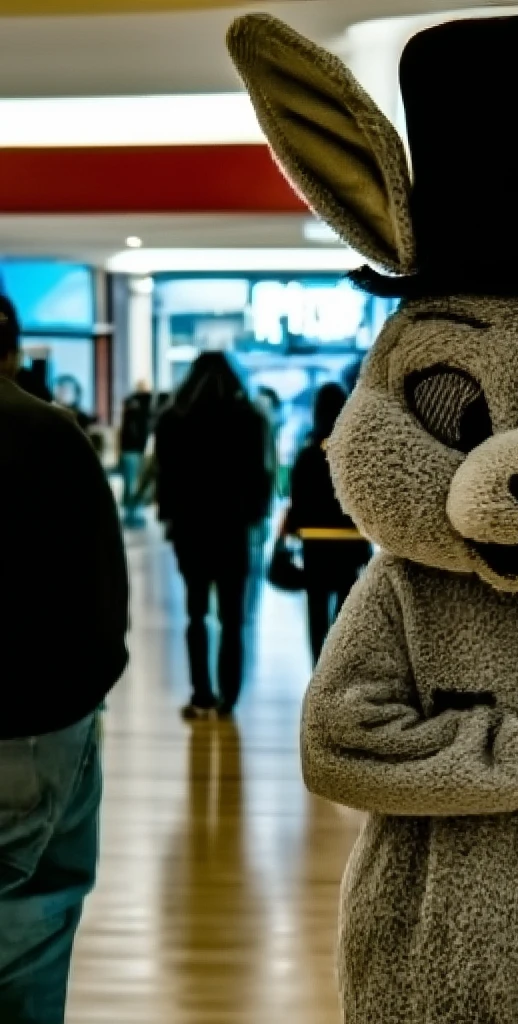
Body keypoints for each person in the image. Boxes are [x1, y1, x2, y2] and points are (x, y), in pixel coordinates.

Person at [0, 296, 130, 1022]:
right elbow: (104, 590)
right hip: (42, 726)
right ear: (13, 352)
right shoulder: (50, 435)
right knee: (35, 935)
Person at [155, 353, 274, 721]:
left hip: (190, 530)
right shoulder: (250, 418)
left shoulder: (173, 419)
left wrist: (170, 517)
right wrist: (254, 516)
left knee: (195, 614)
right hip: (232, 530)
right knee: (232, 618)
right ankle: (229, 698)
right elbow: (262, 475)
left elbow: (165, 476)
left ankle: (201, 693)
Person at [283, 383, 372, 662]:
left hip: (315, 543)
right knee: (345, 611)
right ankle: (339, 666)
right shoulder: (356, 454)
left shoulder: (307, 454)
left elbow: (296, 499)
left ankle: (318, 666)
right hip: (350, 542)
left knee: (316, 608)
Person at [118, 381, 153, 528]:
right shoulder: (139, 406)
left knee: (132, 482)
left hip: (132, 449)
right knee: (133, 482)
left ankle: (131, 513)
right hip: (134, 449)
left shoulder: (132, 404)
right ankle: (132, 514)